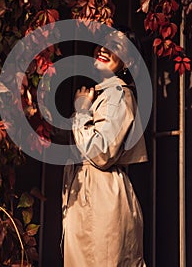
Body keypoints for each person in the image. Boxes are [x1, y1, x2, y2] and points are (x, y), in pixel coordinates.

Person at [62, 28, 148, 266]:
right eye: (104, 42)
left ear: (127, 61)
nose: (104, 48)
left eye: (116, 46)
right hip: (90, 198)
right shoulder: (101, 95)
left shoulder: (118, 94)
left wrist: (80, 112)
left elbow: (101, 153)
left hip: (101, 198)